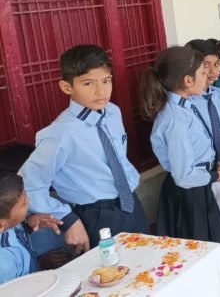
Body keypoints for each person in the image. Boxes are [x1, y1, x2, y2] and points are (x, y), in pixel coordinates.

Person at [19, 45, 149, 252]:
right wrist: (68, 219)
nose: (101, 91)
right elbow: (28, 185)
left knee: (149, 260)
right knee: (112, 270)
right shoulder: (60, 133)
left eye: (106, 81)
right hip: (96, 215)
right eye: (88, 83)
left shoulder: (113, 113)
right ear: (66, 87)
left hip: (130, 202)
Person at [141, 46, 220, 254]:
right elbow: (184, 175)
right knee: (199, 252)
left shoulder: (184, 106)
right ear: (188, 80)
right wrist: (216, 175)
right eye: (203, 72)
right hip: (189, 193)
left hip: (200, 184)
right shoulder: (175, 117)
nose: (207, 76)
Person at [0, 173, 62, 284]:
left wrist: (27, 224)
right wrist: (41, 265)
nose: (28, 201)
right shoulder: (5, 264)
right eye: (23, 203)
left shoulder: (7, 225)